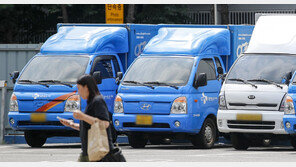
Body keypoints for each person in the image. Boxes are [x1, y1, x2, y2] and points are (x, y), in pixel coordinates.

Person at [59, 74, 125, 162]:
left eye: (79, 88)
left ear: (86, 87)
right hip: (90, 152)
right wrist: (72, 125)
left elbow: (104, 124)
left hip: (99, 153)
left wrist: (83, 116)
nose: (78, 92)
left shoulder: (98, 101)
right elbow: (91, 127)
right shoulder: (91, 102)